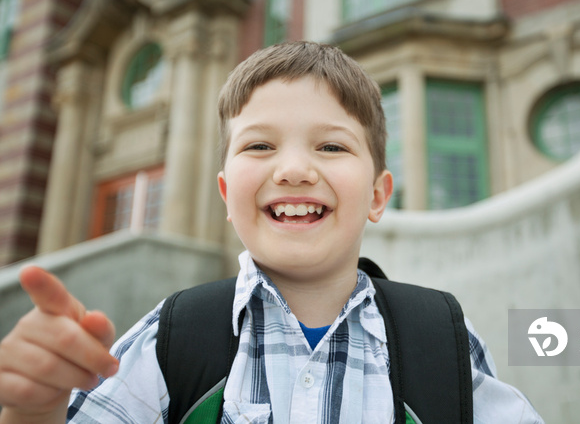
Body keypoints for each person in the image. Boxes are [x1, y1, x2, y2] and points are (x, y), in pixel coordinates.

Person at [0, 41, 543, 423]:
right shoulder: (171, 338)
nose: (293, 170)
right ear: (226, 196)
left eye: (331, 146)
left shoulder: (439, 338)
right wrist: (31, 411)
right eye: (260, 146)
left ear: (378, 195)